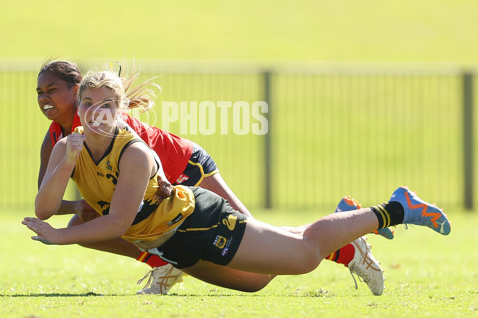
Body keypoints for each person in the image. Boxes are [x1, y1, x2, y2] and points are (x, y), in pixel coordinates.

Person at [25, 69, 449, 294]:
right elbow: (44, 208)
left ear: (119, 111)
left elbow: (116, 222)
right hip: (171, 241)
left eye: (106, 105)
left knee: (301, 257)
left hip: (197, 219)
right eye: (89, 104)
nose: (96, 112)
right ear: (79, 107)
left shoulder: (132, 150)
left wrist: (60, 236)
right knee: (258, 282)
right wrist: (65, 167)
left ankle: (396, 208)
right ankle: (347, 226)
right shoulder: (67, 145)